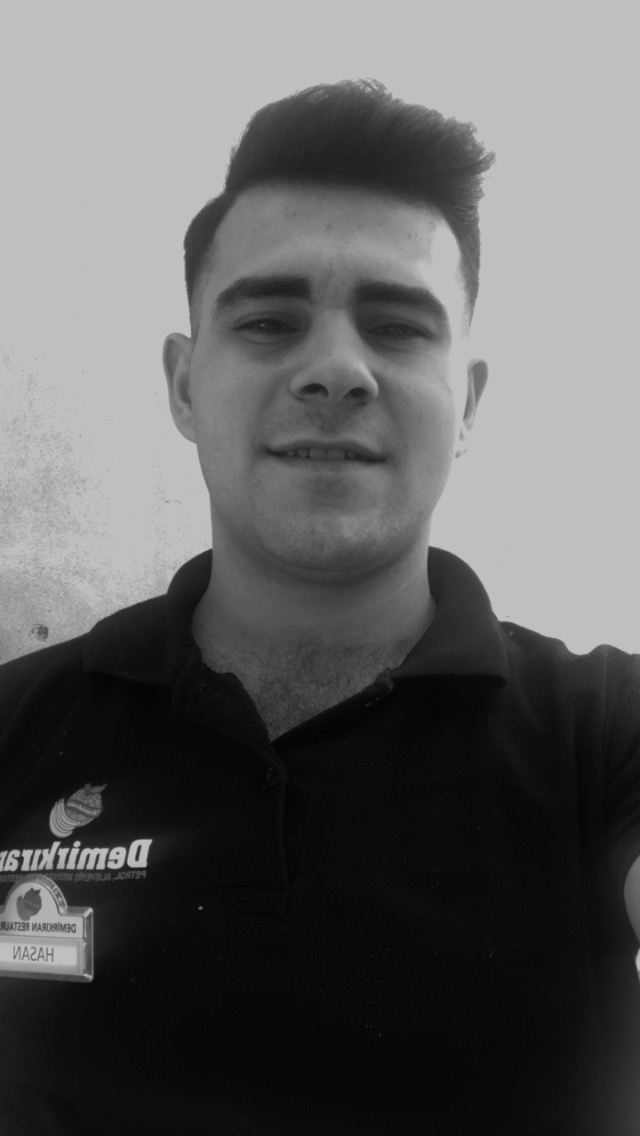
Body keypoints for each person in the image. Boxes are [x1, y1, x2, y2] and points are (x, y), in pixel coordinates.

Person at [0, 78, 639, 1136]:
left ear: (468, 401)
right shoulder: (16, 726)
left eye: (396, 326)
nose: (337, 370)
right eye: (267, 320)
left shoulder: (607, 731)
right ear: (183, 383)